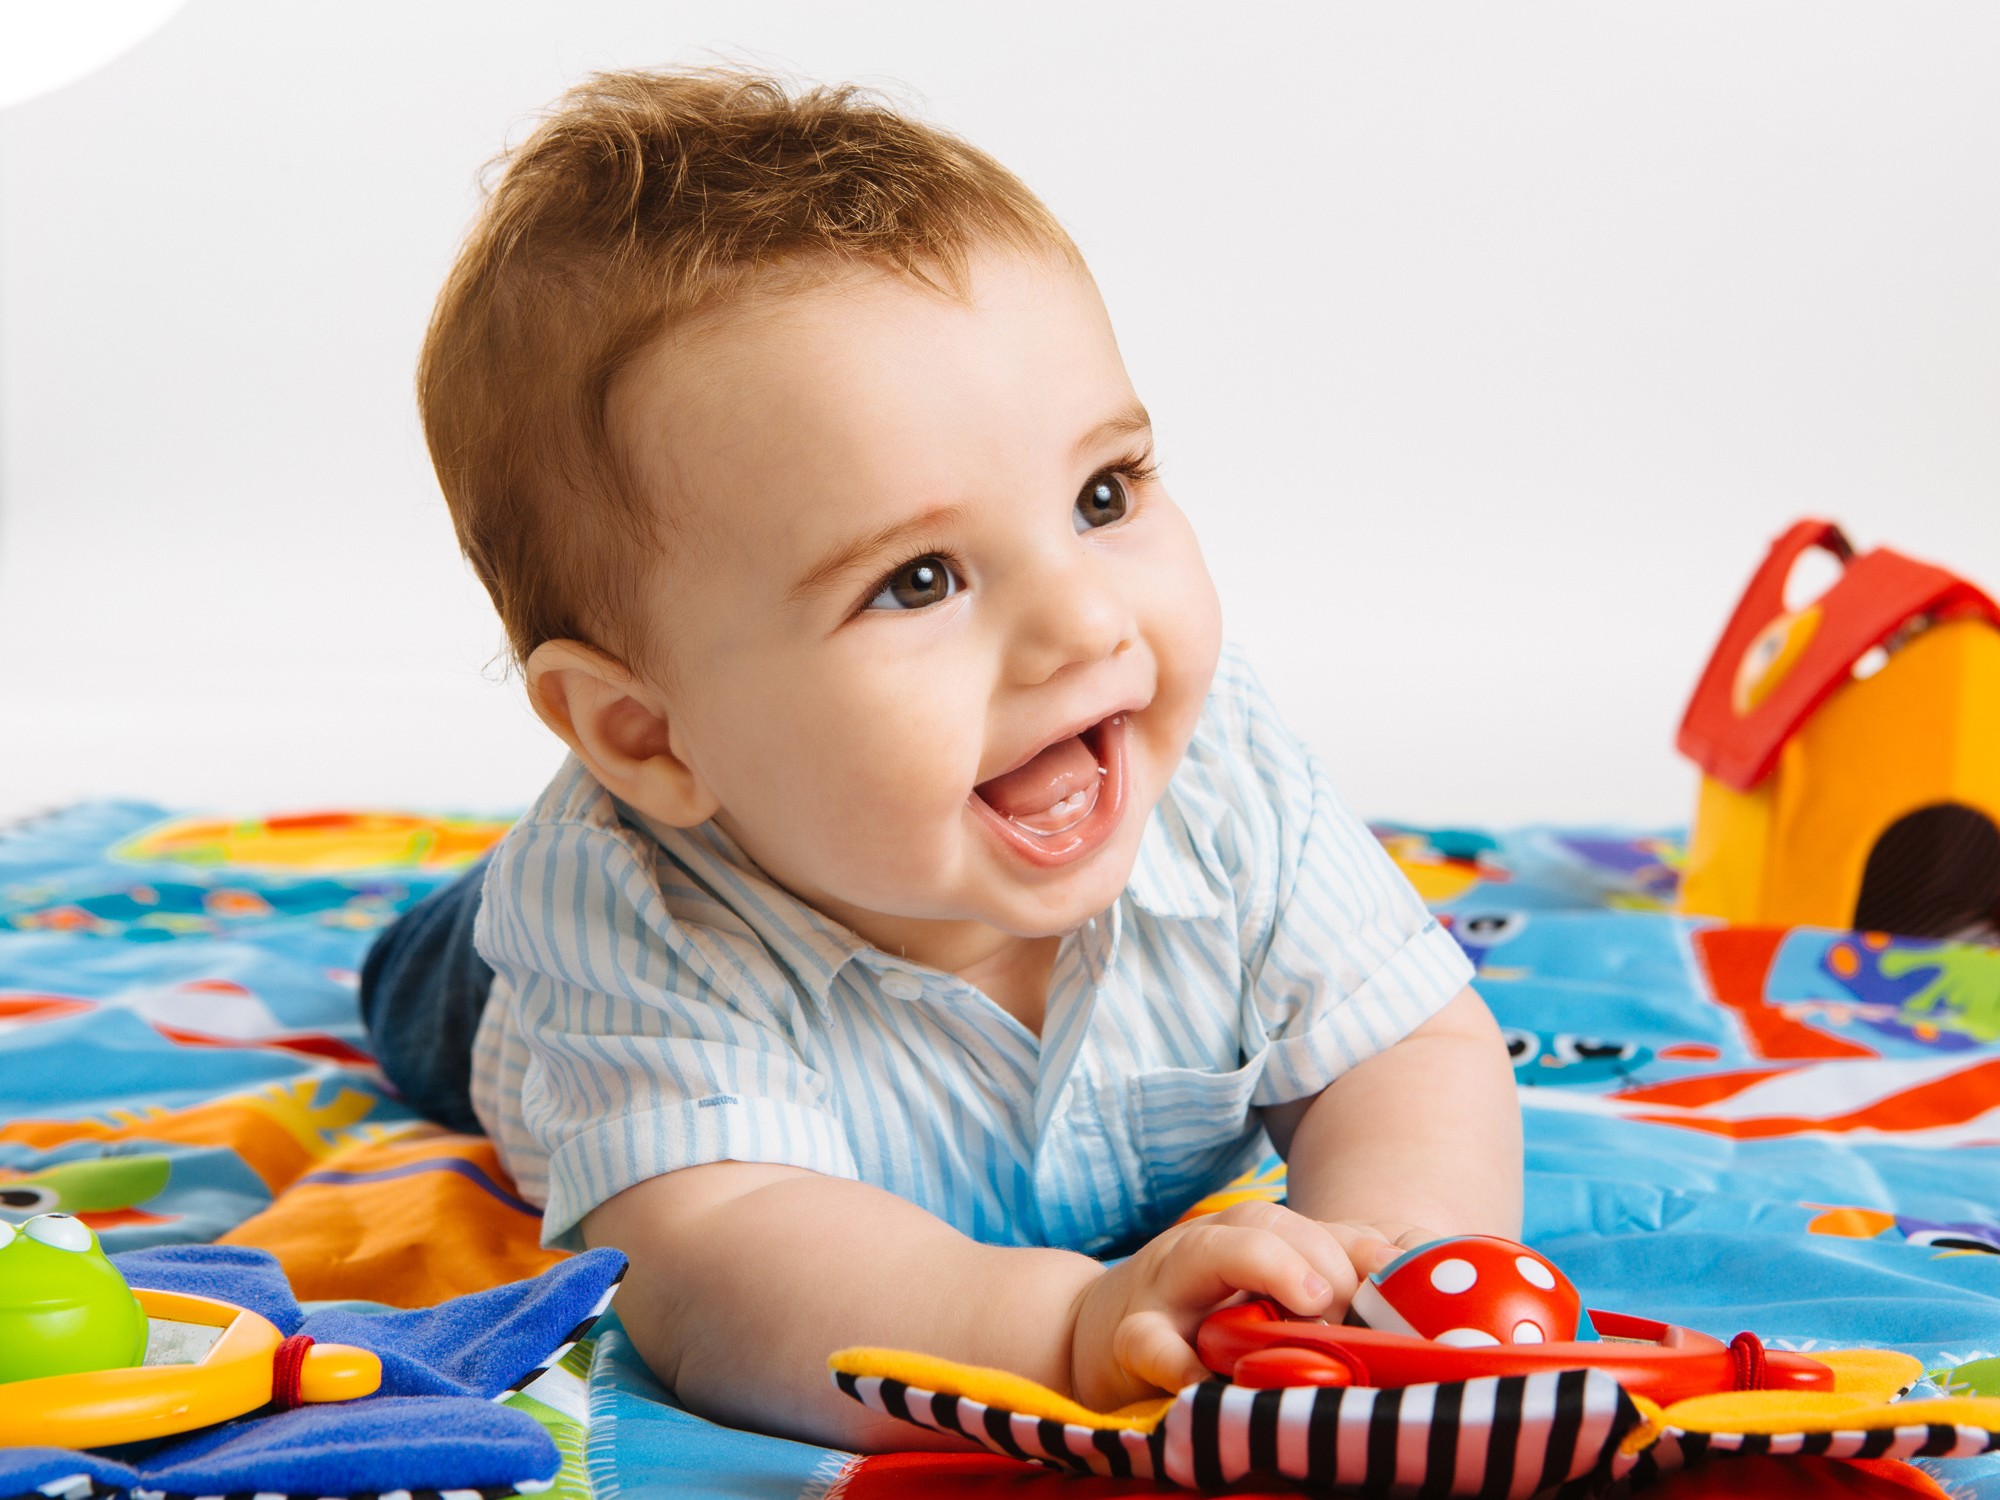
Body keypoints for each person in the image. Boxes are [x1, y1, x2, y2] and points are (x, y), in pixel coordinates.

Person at [363, 67, 1522, 1451]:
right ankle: (426, 935)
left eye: (1104, 496)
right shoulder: (626, 928)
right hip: (506, 992)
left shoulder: (1222, 778)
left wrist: (1380, 1260)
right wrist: (1066, 1332)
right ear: (648, 734)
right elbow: (721, 1267)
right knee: (427, 975)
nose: (1087, 621)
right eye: (918, 581)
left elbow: (1406, 1049)